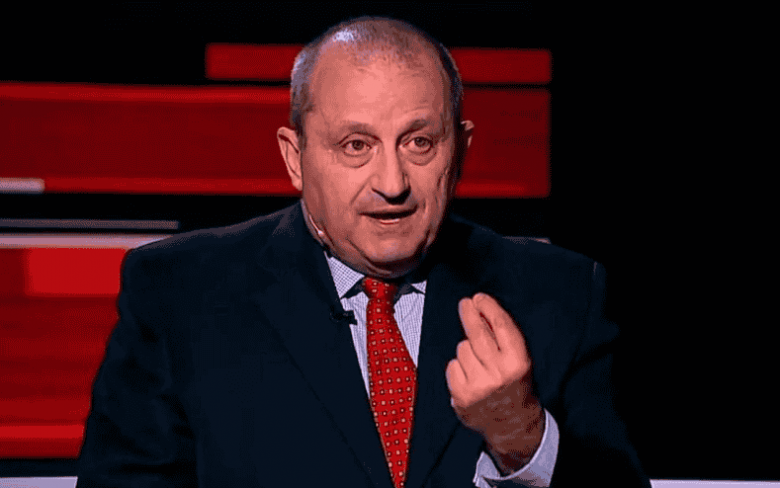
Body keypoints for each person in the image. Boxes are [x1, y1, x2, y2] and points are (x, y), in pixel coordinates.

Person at [76, 16, 650, 488]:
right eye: (356, 145)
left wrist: (522, 436)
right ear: (295, 158)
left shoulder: (561, 294)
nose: (392, 182)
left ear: (461, 150)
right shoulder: (178, 295)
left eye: (419, 142)